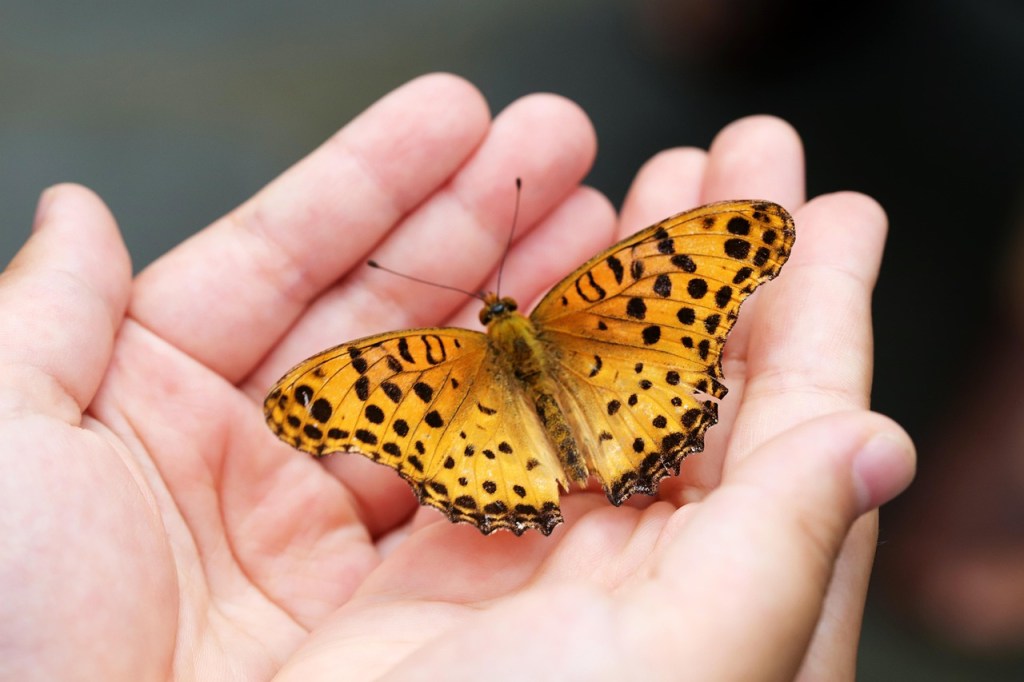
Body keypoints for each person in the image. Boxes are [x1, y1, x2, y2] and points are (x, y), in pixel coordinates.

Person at [0, 73, 914, 680]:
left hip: (492, 452)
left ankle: (551, 481)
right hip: (632, 395)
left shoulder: (420, 363)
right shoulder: (591, 295)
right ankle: (618, 458)